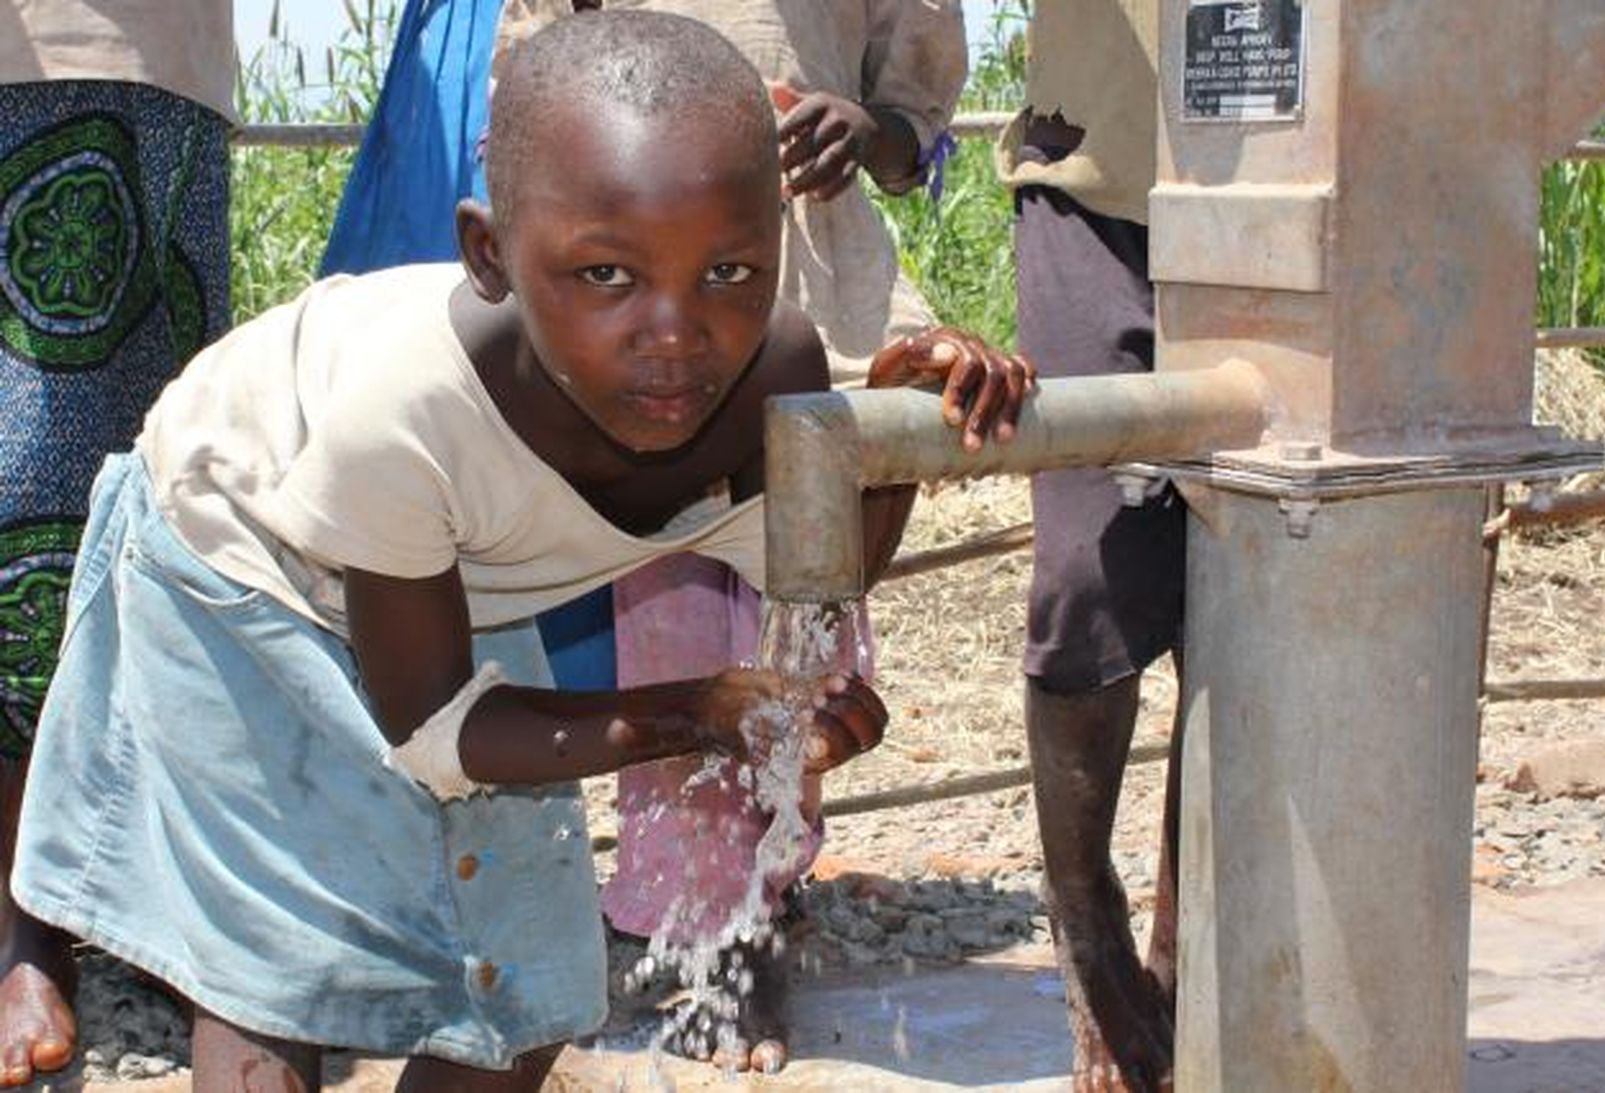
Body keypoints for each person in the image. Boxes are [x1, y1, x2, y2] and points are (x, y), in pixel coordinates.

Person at [9, 11, 1032, 1090]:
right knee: (282, 969)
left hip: (445, 586)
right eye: (605, 276)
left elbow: (813, 571)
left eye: (730, 272)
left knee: (523, 984)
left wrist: (898, 430)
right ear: (488, 256)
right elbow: (442, 729)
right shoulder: (403, 413)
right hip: (234, 551)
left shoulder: (769, 367)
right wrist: (701, 709)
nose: (675, 330)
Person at [492, 1, 968, 1071]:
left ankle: (761, 885)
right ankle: (711, 928)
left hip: (803, 263)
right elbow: (528, 77)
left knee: (811, 604)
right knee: (671, 598)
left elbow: (908, 124)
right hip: (646, 279)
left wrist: (865, 126)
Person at [0, 2, 235, 1085]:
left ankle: (123, 898)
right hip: (36, 58)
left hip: (151, 59)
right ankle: (26, 924)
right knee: (24, 496)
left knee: (157, 480)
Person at [992, 2, 1181, 1090]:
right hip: (1100, 176)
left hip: (1337, 179)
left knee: (1256, 592)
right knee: (1085, 573)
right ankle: (1084, 917)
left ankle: (1188, 948)